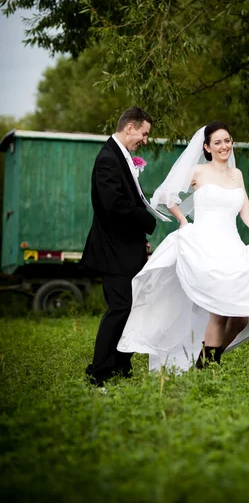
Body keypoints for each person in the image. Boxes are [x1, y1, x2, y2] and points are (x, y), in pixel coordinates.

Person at [118, 121, 249, 372]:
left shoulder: (237, 175)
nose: (224, 146)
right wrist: (183, 222)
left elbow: (247, 213)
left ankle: (206, 357)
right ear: (207, 148)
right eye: (218, 142)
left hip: (233, 247)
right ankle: (208, 369)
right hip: (206, 246)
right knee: (219, 313)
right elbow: (167, 194)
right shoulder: (198, 171)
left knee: (241, 317)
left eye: (228, 140)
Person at [82, 107, 157, 386]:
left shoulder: (121, 156)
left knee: (131, 309)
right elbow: (114, 205)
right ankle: (98, 373)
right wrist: (147, 220)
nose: (145, 140)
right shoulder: (108, 158)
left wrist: (140, 239)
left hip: (127, 248)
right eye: (144, 133)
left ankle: (120, 367)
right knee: (120, 309)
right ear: (130, 128)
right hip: (114, 252)